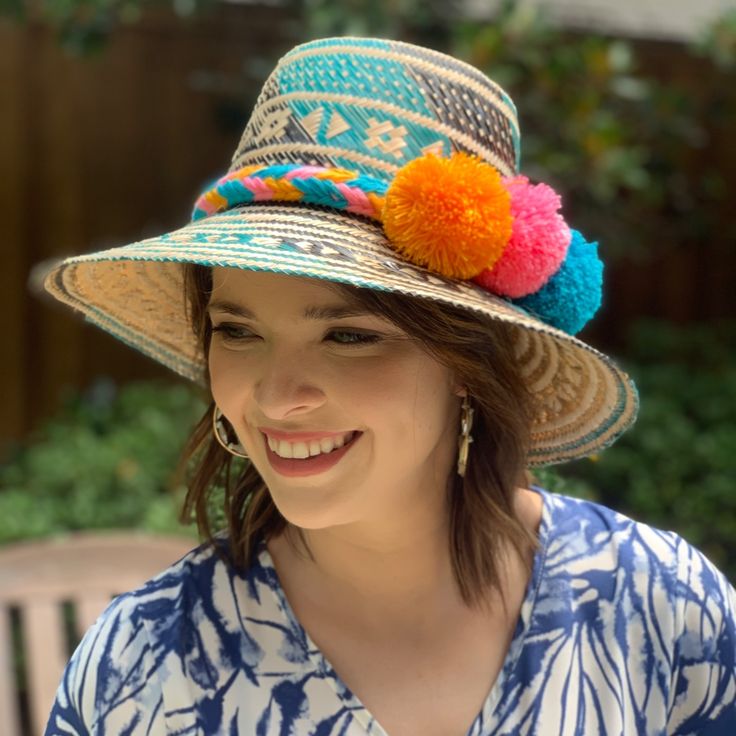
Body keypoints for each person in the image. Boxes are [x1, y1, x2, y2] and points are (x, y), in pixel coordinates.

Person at [42, 37, 735, 736]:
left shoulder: (660, 608)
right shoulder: (142, 664)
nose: (277, 398)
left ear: (470, 367)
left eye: (348, 336)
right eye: (237, 332)